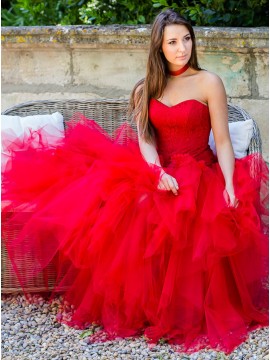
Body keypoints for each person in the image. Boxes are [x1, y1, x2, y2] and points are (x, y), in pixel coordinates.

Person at [2, 9, 268, 354]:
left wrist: (230, 183)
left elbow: (223, 141)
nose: (181, 48)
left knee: (194, 216)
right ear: (158, 46)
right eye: (172, 42)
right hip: (156, 168)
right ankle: (144, 307)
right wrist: (157, 172)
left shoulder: (208, 82)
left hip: (201, 170)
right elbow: (145, 138)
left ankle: (187, 309)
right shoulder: (148, 87)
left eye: (186, 39)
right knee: (129, 209)